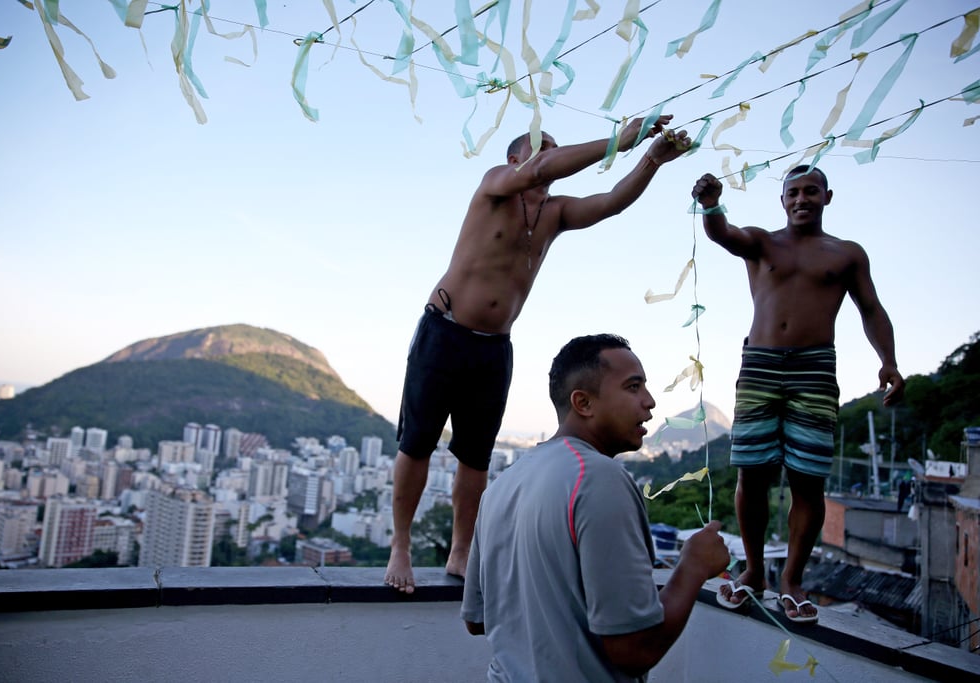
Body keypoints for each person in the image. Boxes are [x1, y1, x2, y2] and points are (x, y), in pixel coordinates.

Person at [385, 117, 694, 593]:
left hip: (494, 346)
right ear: (515, 160)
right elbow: (543, 166)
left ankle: (461, 550)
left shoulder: (555, 213)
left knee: (476, 458)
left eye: (552, 147)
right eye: (539, 149)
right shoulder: (495, 186)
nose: (549, 154)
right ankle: (400, 545)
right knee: (417, 442)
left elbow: (611, 202)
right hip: (444, 330)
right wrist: (623, 138)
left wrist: (651, 158)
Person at [691, 165, 904, 624]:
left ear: (828, 196)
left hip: (815, 367)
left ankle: (792, 579)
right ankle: (752, 572)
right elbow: (722, 234)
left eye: (811, 191)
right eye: (793, 192)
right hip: (761, 364)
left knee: (808, 478)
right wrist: (711, 204)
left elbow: (871, 308)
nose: (801, 199)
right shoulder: (762, 242)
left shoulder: (846, 254)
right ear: (782, 200)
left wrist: (888, 360)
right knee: (752, 473)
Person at [461, 334, 730, 681]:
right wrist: (692, 566)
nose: (649, 402)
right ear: (583, 403)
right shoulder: (598, 478)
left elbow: (476, 619)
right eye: (633, 387)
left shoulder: (503, 485)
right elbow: (634, 650)